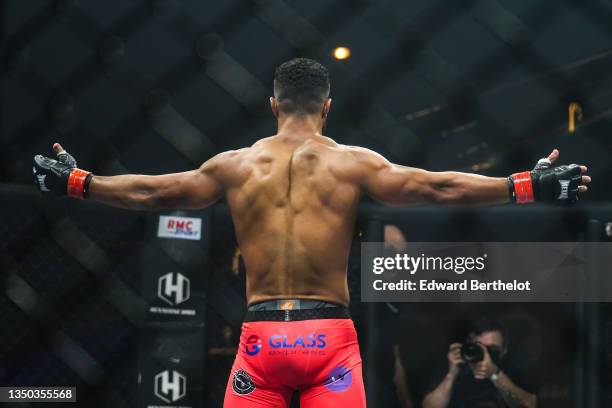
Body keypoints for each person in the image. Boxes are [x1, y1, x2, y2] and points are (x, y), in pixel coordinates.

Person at [32, 58, 590, 407]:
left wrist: (79, 182)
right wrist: (523, 185)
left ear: (272, 105)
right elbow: (436, 188)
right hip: (329, 342)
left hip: (261, 342)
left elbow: (154, 192)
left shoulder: (235, 165)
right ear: (327, 107)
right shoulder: (351, 163)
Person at [423, 318, 537, 408]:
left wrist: (495, 374)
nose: (485, 354)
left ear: (505, 349)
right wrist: (451, 374)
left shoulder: (513, 366)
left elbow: (529, 405)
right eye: (479, 348)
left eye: (492, 349)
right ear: (469, 344)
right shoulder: (457, 362)